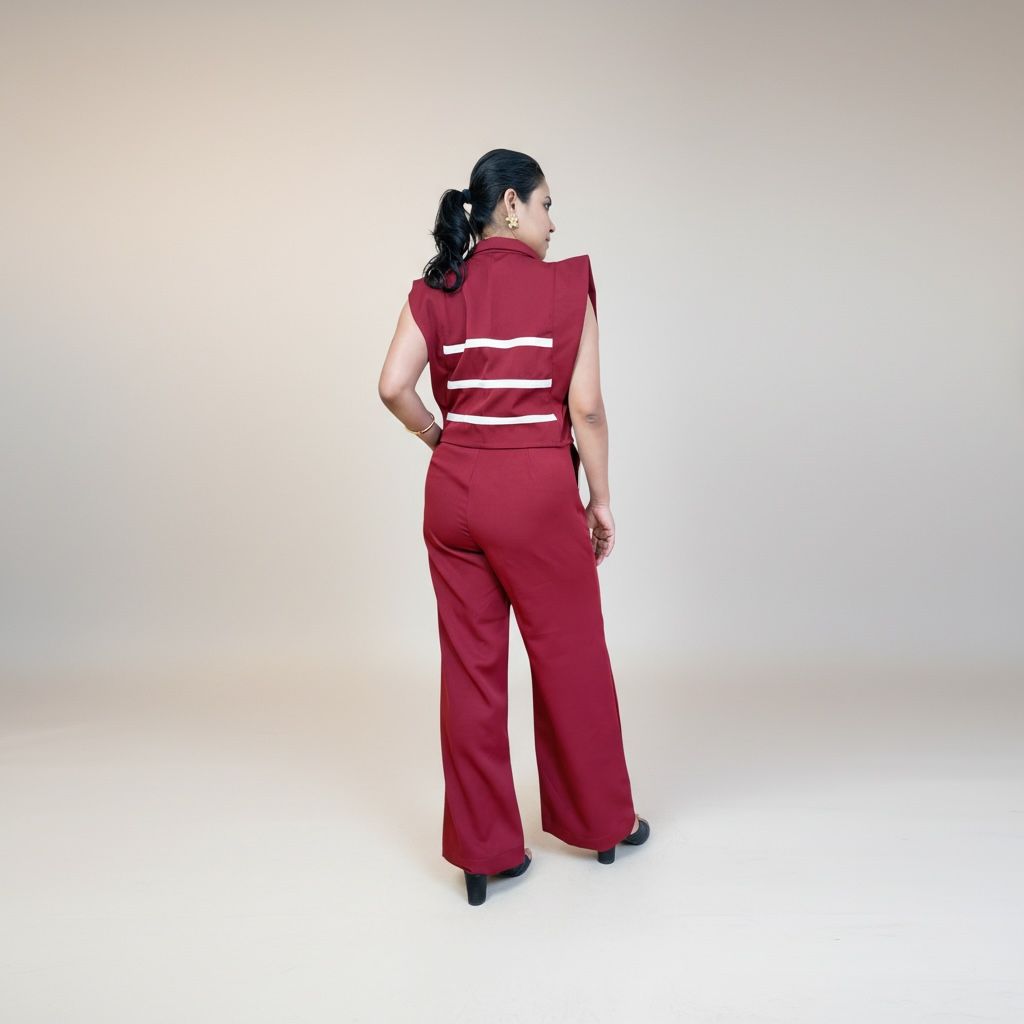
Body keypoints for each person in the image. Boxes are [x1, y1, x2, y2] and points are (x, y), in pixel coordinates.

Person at [378, 148, 649, 906]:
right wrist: (599, 498)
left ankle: (482, 852)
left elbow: (391, 385)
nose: (553, 224)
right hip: (532, 489)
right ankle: (603, 823)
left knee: (470, 669)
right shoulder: (565, 287)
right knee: (571, 655)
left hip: (455, 490)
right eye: (546, 206)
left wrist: (440, 438)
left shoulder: (438, 287)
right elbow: (586, 408)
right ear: (510, 207)